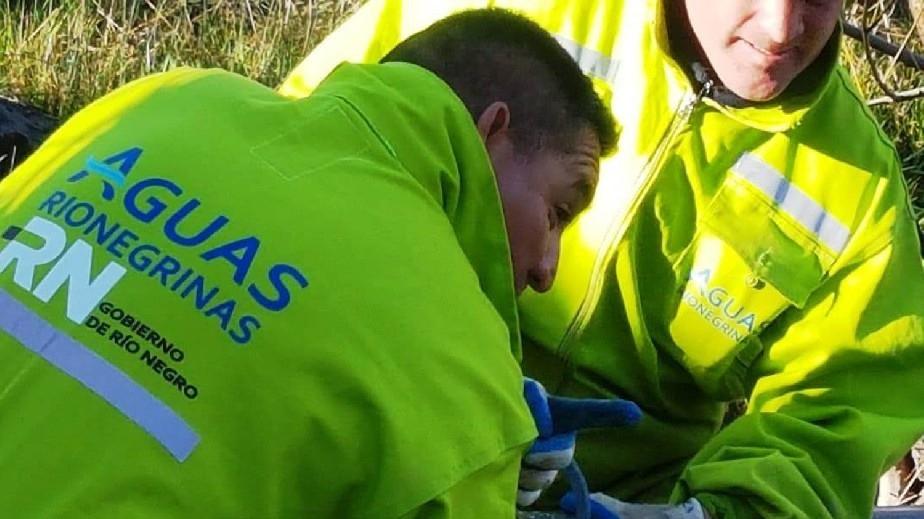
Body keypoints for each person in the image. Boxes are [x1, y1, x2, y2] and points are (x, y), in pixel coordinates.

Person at [280, 1, 924, 517]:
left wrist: (708, 514)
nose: (782, 27)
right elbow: (309, 150)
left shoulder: (862, 197)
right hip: (375, 414)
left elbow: (831, 426)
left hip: (626, 497)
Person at [0, 9, 618, 518]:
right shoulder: (463, 387)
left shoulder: (168, 97)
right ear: (491, 132)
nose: (547, 269)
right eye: (558, 211)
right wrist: (482, 459)